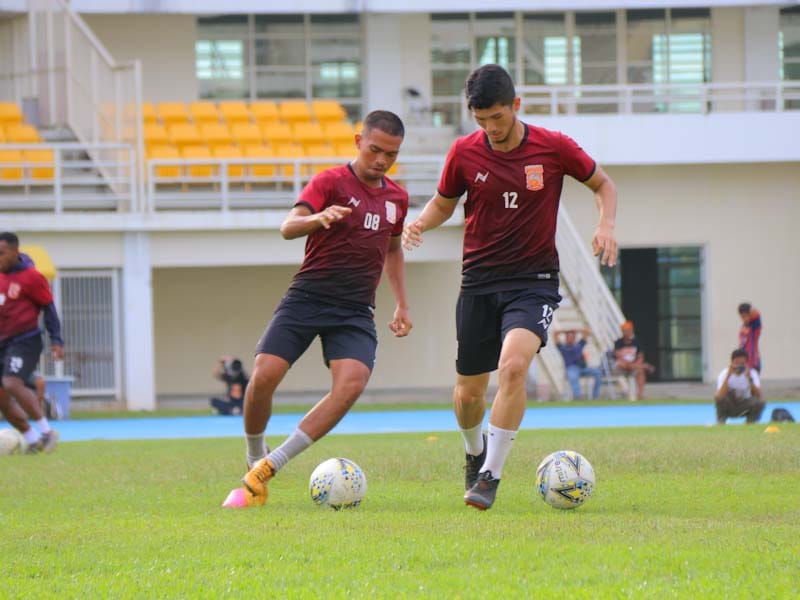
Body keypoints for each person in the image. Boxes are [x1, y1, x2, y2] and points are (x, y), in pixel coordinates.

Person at [402, 64, 618, 510]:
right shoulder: (463, 152)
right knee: (467, 393)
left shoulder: (553, 147)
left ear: (516, 106)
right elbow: (444, 203)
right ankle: (474, 450)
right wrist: (420, 222)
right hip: (479, 281)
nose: (490, 129)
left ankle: (490, 476)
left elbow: (603, 184)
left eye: (496, 118)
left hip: (532, 281)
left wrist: (606, 224)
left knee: (514, 367)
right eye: (481, 120)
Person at [223, 110, 413, 508]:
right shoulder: (330, 181)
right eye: (375, 150)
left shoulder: (397, 197)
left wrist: (401, 303)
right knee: (263, 376)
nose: (381, 160)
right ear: (359, 140)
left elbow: (392, 249)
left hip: (355, 309)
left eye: (390, 155)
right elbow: (287, 227)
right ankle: (254, 455)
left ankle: (270, 465)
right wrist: (319, 218)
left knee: (351, 385)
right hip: (308, 296)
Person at [0, 232, 64, 453]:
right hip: (3, 342)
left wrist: (56, 340)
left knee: (12, 383)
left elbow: (49, 307)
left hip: (26, 339)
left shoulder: (31, 277)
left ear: (15, 252)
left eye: (1, 253)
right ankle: (32, 439)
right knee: (2, 398)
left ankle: (47, 432)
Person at [714, 348, 764, 424]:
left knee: (760, 402)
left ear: (747, 363)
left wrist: (749, 379)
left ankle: (751, 423)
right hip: (729, 405)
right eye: (736, 363)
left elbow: (758, 395)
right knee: (718, 397)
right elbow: (719, 396)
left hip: (745, 404)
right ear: (731, 363)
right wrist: (728, 376)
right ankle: (721, 421)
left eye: (742, 364)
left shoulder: (752, 373)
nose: (739, 366)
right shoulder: (724, 374)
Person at [556, 328, 603, 400]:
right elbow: (555, 334)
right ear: (566, 338)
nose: (570, 338)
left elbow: (586, 332)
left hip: (583, 368)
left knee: (598, 372)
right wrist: (566, 331)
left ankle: (595, 396)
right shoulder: (562, 347)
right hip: (571, 368)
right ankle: (578, 397)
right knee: (572, 376)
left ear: (574, 338)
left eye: (572, 337)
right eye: (569, 337)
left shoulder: (579, 345)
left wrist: (575, 331)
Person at [613, 320, 654, 401]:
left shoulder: (636, 342)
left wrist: (635, 364)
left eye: (628, 331)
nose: (627, 333)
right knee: (620, 365)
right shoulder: (618, 342)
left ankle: (640, 395)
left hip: (634, 365)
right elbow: (618, 356)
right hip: (622, 366)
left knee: (640, 371)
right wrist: (629, 364)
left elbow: (640, 357)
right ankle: (626, 392)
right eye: (625, 331)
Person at [737, 303, 762, 373]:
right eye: (742, 317)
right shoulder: (743, 328)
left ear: (750, 314)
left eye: (746, 316)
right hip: (743, 361)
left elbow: (757, 315)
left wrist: (750, 309)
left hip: (753, 361)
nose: (744, 319)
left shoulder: (754, 328)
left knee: (753, 382)